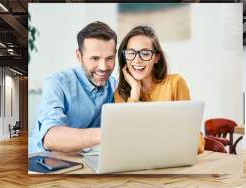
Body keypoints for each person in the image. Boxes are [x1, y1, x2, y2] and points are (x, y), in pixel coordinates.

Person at [30, 21, 117, 154]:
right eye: (95, 58)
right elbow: (50, 138)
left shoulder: (115, 85)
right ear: (79, 56)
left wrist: (134, 86)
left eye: (109, 58)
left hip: (87, 159)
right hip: (47, 160)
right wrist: (110, 134)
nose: (103, 67)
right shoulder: (57, 83)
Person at [114, 25, 205, 153]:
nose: (137, 60)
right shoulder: (121, 93)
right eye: (131, 53)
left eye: (145, 53)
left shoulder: (176, 83)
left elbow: (196, 141)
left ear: (156, 57)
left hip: (172, 160)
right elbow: (126, 139)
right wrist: (135, 91)